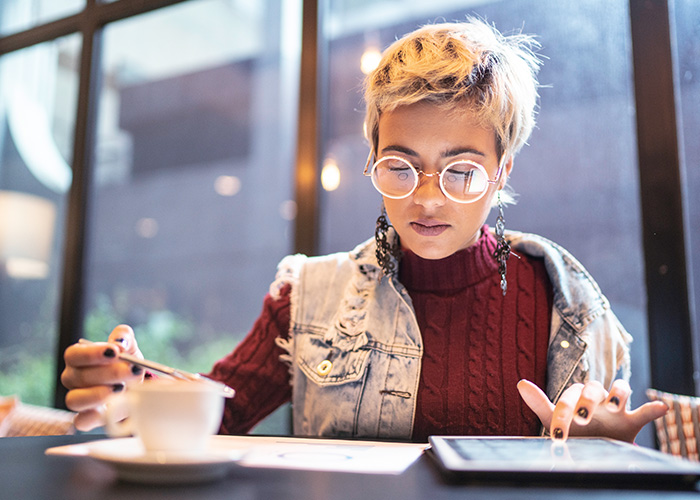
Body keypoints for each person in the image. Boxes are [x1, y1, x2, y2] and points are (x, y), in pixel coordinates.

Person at [61, 18, 667, 443]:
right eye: (401, 167)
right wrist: (135, 389)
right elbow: (220, 412)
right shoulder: (307, 297)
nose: (427, 199)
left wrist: (606, 445)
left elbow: (605, 446)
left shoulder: (569, 305)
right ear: (372, 157)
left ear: (502, 170)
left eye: (461, 171)